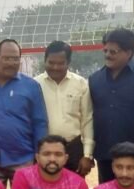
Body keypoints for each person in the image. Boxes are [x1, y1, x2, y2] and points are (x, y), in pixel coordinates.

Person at [89, 28, 134, 184]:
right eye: (105, 50)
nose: (108, 55)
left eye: (113, 51)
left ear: (128, 53)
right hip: (105, 153)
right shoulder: (94, 79)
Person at [0, 39, 49, 186]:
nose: (11, 63)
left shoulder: (31, 86)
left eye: (15, 59)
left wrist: (40, 154)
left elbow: (40, 123)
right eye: (6, 58)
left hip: (24, 159)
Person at [35, 41, 95, 176]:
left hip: (73, 149)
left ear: (68, 62)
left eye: (61, 63)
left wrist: (87, 155)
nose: (55, 67)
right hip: (44, 150)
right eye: (51, 63)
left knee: (75, 188)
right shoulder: (34, 84)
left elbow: (87, 120)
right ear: (45, 61)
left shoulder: (80, 84)